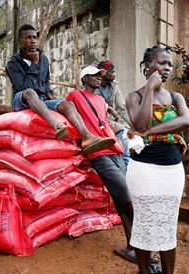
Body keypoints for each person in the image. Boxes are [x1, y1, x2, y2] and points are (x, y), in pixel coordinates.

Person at [66, 65, 156, 265]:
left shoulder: (101, 100)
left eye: (100, 76)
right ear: (84, 79)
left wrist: (110, 110)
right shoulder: (74, 95)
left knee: (119, 197)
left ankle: (133, 247)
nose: (99, 78)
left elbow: (103, 116)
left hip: (115, 147)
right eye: (94, 76)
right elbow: (66, 111)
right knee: (124, 191)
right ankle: (147, 238)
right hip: (97, 151)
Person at [125, 45, 189, 274]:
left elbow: (186, 121)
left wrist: (148, 134)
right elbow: (141, 124)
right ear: (147, 66)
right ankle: (144, 271)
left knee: (167, 223)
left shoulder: (176, 97)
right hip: (143, 169)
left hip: (172, 170)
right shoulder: (134, 96)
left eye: (169, 64)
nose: (167, 68)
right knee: (143, 220)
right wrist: (150, 91)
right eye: (162, 63)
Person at [5, 24, 115, 155]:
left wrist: (49, 92)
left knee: (67, 104)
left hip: (41, 99)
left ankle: (87, 137)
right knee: (30, 92)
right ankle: (56, 125)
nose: (33, 40)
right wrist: (34, 64)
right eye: (28, 37)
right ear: (20, 41)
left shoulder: (43, 59)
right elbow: (23, 87)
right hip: (22, 100)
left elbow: (45, 82)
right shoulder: (13, 64)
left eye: (34, 37)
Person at [96, 60, 132, 166]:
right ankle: (126, 162)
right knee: (123, 132)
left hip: (113, 118)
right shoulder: (93, 85)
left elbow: (122, 107)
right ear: (104, 73)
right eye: (112, 72)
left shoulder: (113, 85)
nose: (114, 74)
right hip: (100, 119)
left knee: (131, 132)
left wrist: (134, 124)